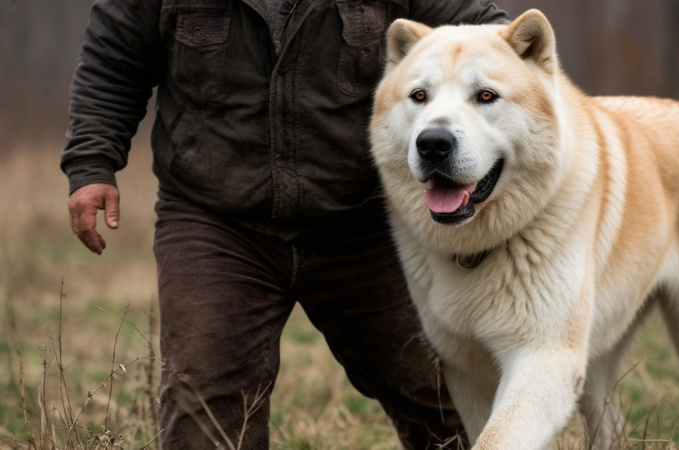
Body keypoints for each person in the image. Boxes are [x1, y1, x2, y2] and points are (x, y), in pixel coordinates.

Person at [61, 0, 508, 448]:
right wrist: (91, 163)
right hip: (215, 221)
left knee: (442, 390)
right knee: (205, 404)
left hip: (364, 222)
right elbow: (113, 59)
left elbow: (494, 40)